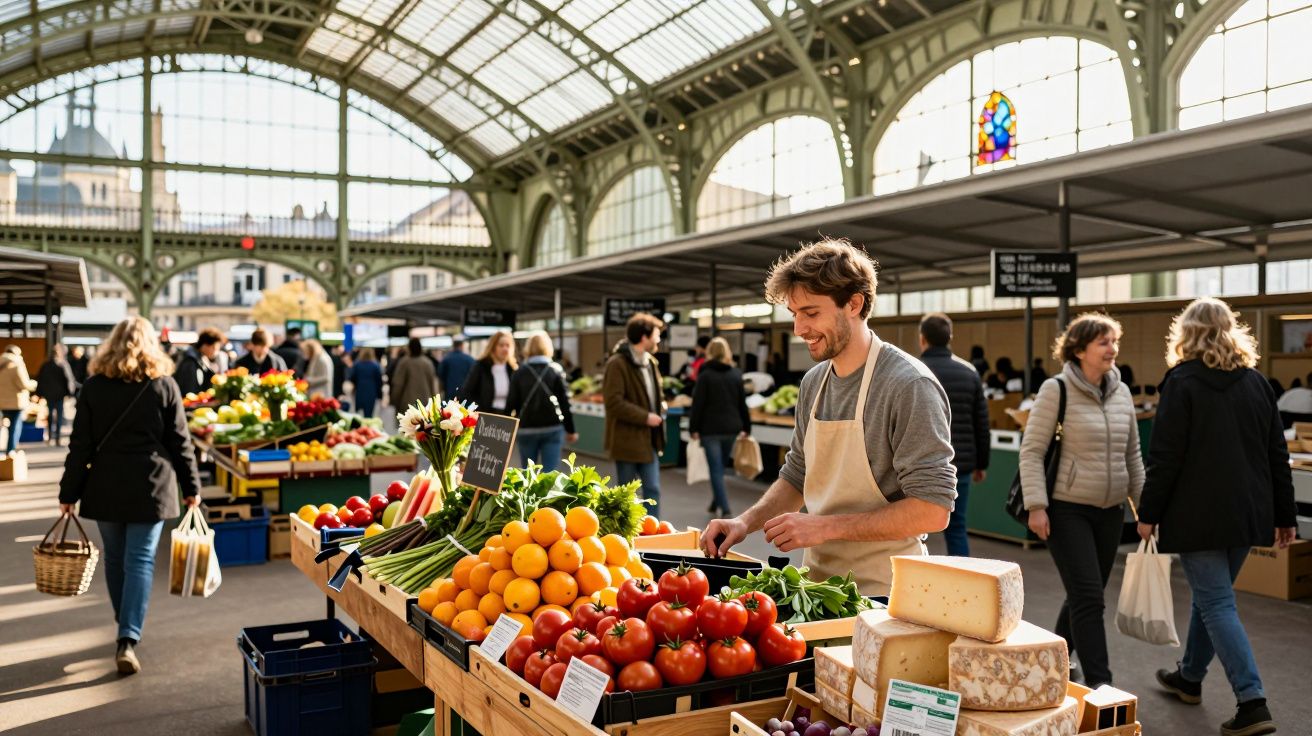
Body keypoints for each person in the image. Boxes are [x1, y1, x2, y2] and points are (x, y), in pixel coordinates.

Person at [701, 239, 956, 595]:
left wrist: (824, 527)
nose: (799, 329)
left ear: (854, 303)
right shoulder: (814, 383)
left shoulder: (908, 385)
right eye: (794, 314)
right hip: (819, 587)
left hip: (887, 593)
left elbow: (933, 508)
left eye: (811, 313)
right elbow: (797, 475)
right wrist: (745, 522)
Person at [1139, 298, 1295, 736]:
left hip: (1198, 514)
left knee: (1216, 602)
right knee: (1212, 598)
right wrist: (1286, 515)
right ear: (1231, 330)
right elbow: (1276, 454)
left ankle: (1252, 701)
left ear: (1186, 333)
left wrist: (1148, 513)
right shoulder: (1257, 383)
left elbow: (1165, 457)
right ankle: (1189, 677)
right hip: (1248, 510)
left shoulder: (1181, 382)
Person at [58, 316, 201, 675]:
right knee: (140, 561)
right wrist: (192, 488)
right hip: (151, 486)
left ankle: (125, 622)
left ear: (112, 343)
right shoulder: (164, 385)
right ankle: (128, 636)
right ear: (151, 344)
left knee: (114, 559)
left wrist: (68, 492)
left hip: (105, 484)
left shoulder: (93, 386)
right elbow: (180, 442)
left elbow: (81, 446)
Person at [1019, 312, 1143, 689]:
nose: (1112, 349)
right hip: (1067, 508)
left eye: (1114, 341)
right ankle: (1102, 685)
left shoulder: (1121, 392)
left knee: (1082, 594)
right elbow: (1032, 451)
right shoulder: (1056, 390)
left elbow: (1133, 455)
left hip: (1110, 511)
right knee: (1089, 597)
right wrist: (1036, 506)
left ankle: (1051, 661)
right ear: (1079, 349)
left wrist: (1146, 510)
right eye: (1104, 342)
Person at [917, 313, 990, 557]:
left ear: (922, 339)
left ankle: (912, 584)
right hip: (961, 465)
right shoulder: (969, 373)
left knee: (911, 529)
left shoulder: (911, 371)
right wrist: (982, 463)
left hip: (917, 466)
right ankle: (963, 583)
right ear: (950, 338)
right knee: (956, 527)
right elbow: (981, 422)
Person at [604, 313, 668, 516]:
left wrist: (661, 406)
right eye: (656, 335)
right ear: (644, 337)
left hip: (649, 441)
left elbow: (655, 395)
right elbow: (613, 402)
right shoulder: (617, 363)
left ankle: (653, 535)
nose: (658, 340)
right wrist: (645, 416)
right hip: (626, 441)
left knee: (652, 491)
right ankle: (626, 539)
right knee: (626, 495)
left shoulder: (650, 363)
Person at [689, 336, 752, 518]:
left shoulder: (705, 375)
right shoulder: (735, 374)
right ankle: (715, 501)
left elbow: (698, 404)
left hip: (710, 430)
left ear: (710, 352)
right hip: (732, 428)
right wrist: (747, 427)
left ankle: (724, 507)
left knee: (716, 469)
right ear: (727, 353)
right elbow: (742, 403)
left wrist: (693, 428)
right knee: (720, 467)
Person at [506, 331, 577, 472]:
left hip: (526, 428)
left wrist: (506, 430)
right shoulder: (555, 371)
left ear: (528, 348)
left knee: (528, 473)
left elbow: (511, 403)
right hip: (552, 428)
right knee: (549, 474)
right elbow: (564, 403)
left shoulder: (519, 373)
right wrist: (571, 430)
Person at [460, 331, 518, 413]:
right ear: (493, 347)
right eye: (501, 345)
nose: (505, 349)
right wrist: (479, 410)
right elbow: (466, 393)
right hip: (485, 416)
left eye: (508, 345)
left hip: (507, 416)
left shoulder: (513, 369)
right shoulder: (480, 366)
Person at [36, 344, 79, 446]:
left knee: (50, 415)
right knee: (59, 416)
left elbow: (40, 379)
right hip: (60, 394)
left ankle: (50, 436)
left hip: (49, 394)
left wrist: (40, 393)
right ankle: (58, 438)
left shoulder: (46, 365)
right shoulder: (63, 364)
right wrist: (70, 393)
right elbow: (69, 380)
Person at [0, 345, 36, 454]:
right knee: (14, 427)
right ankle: (10, 450)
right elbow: (24, 384)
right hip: (16, 403)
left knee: (2, 426)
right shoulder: (16, 365)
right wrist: (33, 384)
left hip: (1, 402)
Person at [390, 338, 439, 413]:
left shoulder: (404, 363)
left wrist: (394, 401)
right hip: (425, 404)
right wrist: (435, 404)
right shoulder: (428, 363)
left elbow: (398, 385)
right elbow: (433, 385)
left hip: (407, 405)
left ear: (409, 348)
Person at [172, 327, 225, 396]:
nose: (216, 352)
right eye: (214, 348)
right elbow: (189, 391)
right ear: (205, 345)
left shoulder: (198, 357)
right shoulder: (190, 360)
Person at [349, 347, 383, 418]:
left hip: (359, 391)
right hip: (371, 392)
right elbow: (379, 381)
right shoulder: (375, 365)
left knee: (358, 415)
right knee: (368, 415)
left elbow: (352, 378)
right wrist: (380, 395)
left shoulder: (357, 364)